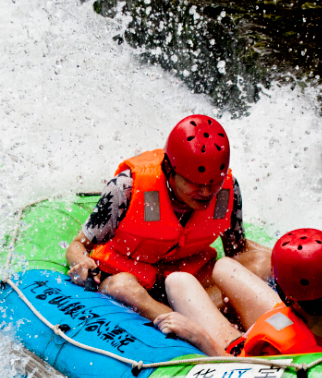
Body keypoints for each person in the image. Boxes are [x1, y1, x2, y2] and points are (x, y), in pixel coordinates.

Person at [65, 115, 270, 321]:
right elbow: (77, 246)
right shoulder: (126, 187)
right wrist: (81, 263)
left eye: (213, 183)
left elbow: (237, 251)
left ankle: (197, 316)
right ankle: (190, 320)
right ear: (170, 170)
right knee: (121, 286)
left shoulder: (227, 191)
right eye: (195, 183)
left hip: (191, 283)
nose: (207, 192)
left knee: (263, 262)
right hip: (134, 281)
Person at [154, 228, 322, 357]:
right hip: (311, 324)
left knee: (178, 281)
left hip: (243, 348)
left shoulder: (271, 347)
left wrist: (198, 336)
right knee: (224, 267)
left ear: (285, 294)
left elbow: (240, 374)